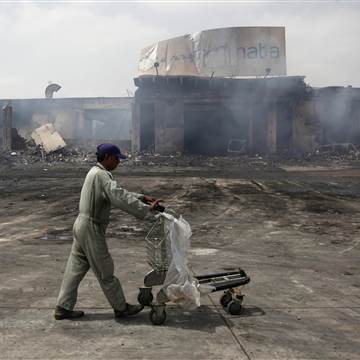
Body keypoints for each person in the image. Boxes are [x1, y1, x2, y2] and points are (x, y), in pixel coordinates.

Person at [54, 143, 160, 320]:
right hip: (91, 228)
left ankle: (63, 307)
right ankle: (121, 307)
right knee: (105, 270)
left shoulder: (96, 173)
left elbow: (117, 193)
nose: (119, 161)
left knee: (75, 268)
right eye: (117, 158)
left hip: (82, 225)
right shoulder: (101, 175)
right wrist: (145, 209)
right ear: (108, 157)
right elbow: (119, 197)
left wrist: (141, 197)